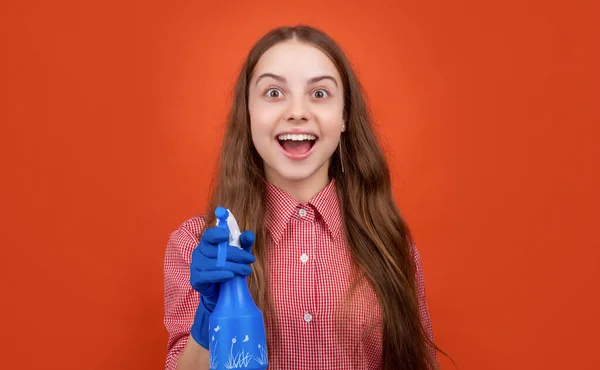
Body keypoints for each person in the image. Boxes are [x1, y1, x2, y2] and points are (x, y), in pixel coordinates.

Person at [164, 24, 441, 370]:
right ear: (248, 115)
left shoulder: (389, 243)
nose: (297, 111)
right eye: (274, 93)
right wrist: (209, 318)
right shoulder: (195, 245)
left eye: (319, 94)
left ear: (344, 117)